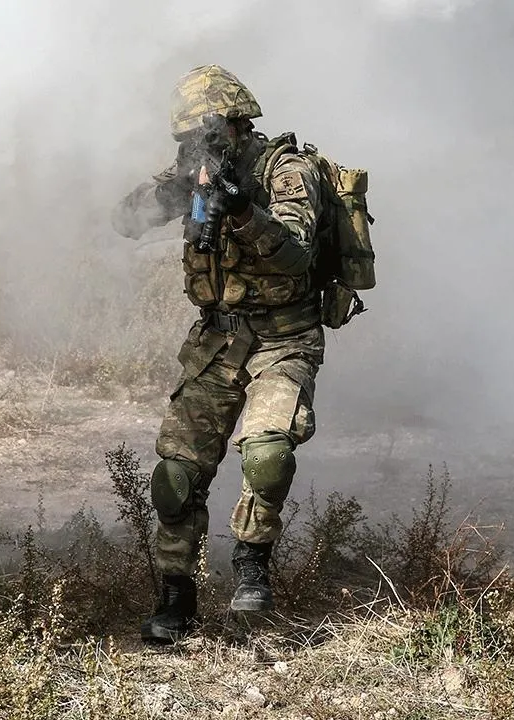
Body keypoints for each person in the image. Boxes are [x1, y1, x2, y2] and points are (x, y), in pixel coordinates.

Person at [113, 64, 361, 643]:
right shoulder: (191, 170)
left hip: (284, 335)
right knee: (175, 476)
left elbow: (296, 256)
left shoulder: (286, 172)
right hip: (216, 339)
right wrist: (175, 189)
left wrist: (242, 210)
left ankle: (252, 560)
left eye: (208, 133)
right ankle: (175, 595)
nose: (199, 146)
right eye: (188, 139)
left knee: (267, 454)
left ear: (237, 122)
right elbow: (124, 221)